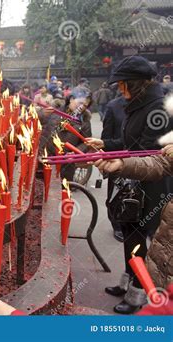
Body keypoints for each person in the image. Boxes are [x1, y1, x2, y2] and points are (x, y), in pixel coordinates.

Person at [88, 55, 171, 314]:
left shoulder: (158, 109)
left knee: (142, 238)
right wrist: (106, 145)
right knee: (130, 234)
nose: (120, 90)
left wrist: (117, 160)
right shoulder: (136, 105)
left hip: (152, 186)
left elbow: (147, 151)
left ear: (138, 84)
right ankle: (128, 282)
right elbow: (129, 144)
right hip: (133, 180)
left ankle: (139, 295)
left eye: (123, 85)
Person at [94, 144, 173, 291]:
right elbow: (161, 163)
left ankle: (137, 290)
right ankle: (134, 286)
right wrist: (123, 164)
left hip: (150, 194)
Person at [87, 93, 127, 242]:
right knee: (116, 193)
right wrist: (105, 157)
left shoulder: (153, 105)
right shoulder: (114, 106)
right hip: (117, 158)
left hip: (143, 159)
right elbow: (107, 137)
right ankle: (117, 224)